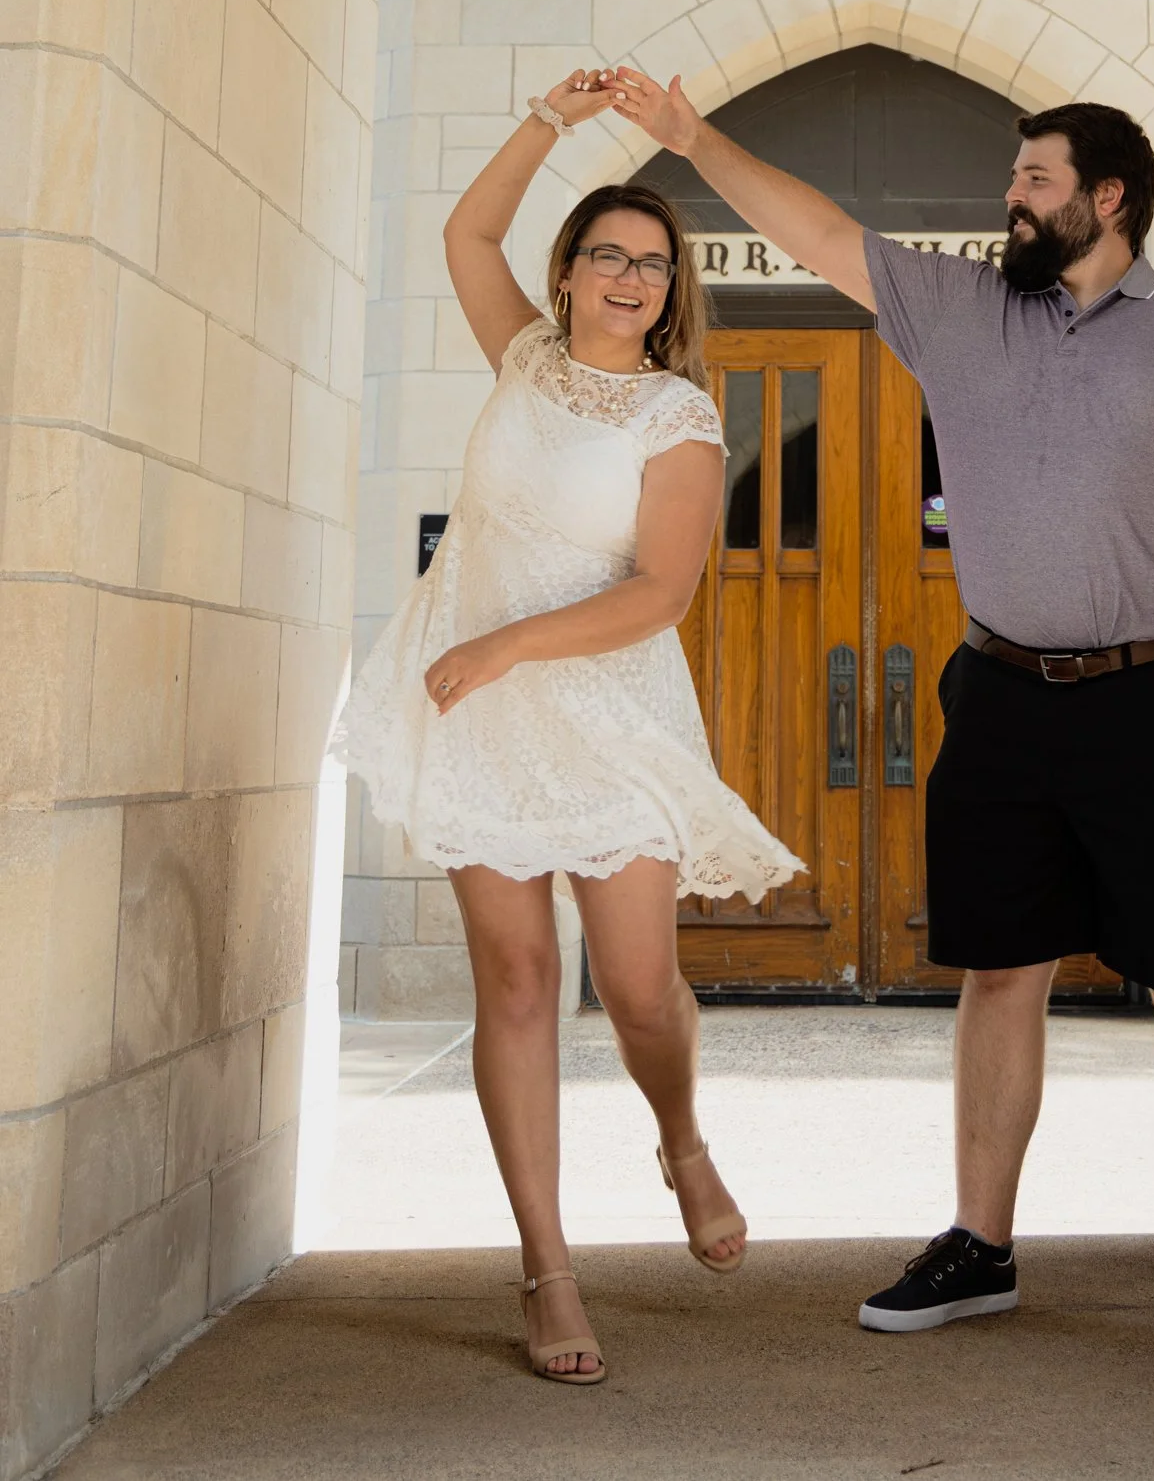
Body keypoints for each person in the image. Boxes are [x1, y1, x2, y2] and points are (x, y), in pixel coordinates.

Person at [606, 67, 1154, 1351]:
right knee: (998, 970)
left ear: (1105, 198)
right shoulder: (957, 307)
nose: (1010, 196)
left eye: (1033, 179)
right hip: (1003, 694)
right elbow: (816, 230)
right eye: (1012, 177)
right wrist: (689, 138)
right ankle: (979, 1244)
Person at [337, 73, 800, 1384]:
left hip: (605, 711)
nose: (628, 277)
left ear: (670, 290)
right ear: (567, 271)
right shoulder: (523, 356)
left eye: (651, 264)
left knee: (639, 987)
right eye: (607, 254)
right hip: (479, 718)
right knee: (519, 983)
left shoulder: (678, 418)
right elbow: (464, 233)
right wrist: (545, 121)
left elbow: (660, 592)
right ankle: (546, 1266)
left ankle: (679, 1137)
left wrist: (508, 644)